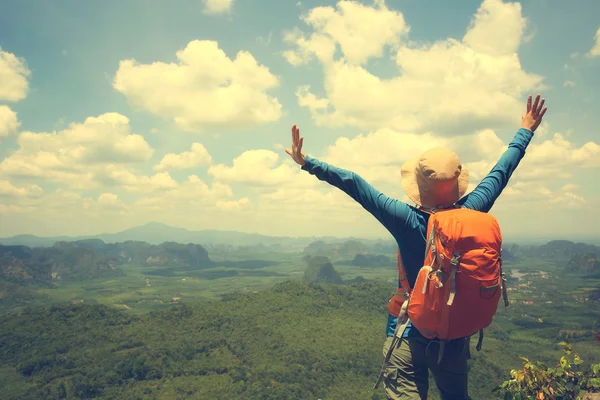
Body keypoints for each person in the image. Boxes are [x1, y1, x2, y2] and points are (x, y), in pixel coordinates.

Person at [285, 94, 548, 400]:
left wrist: (307, 163)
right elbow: (500, 172)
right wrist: (525, 130)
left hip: (408, 334)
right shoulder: (474, 209)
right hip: (452, 336)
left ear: (419, 188)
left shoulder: (404, 219)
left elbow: (354, 183)